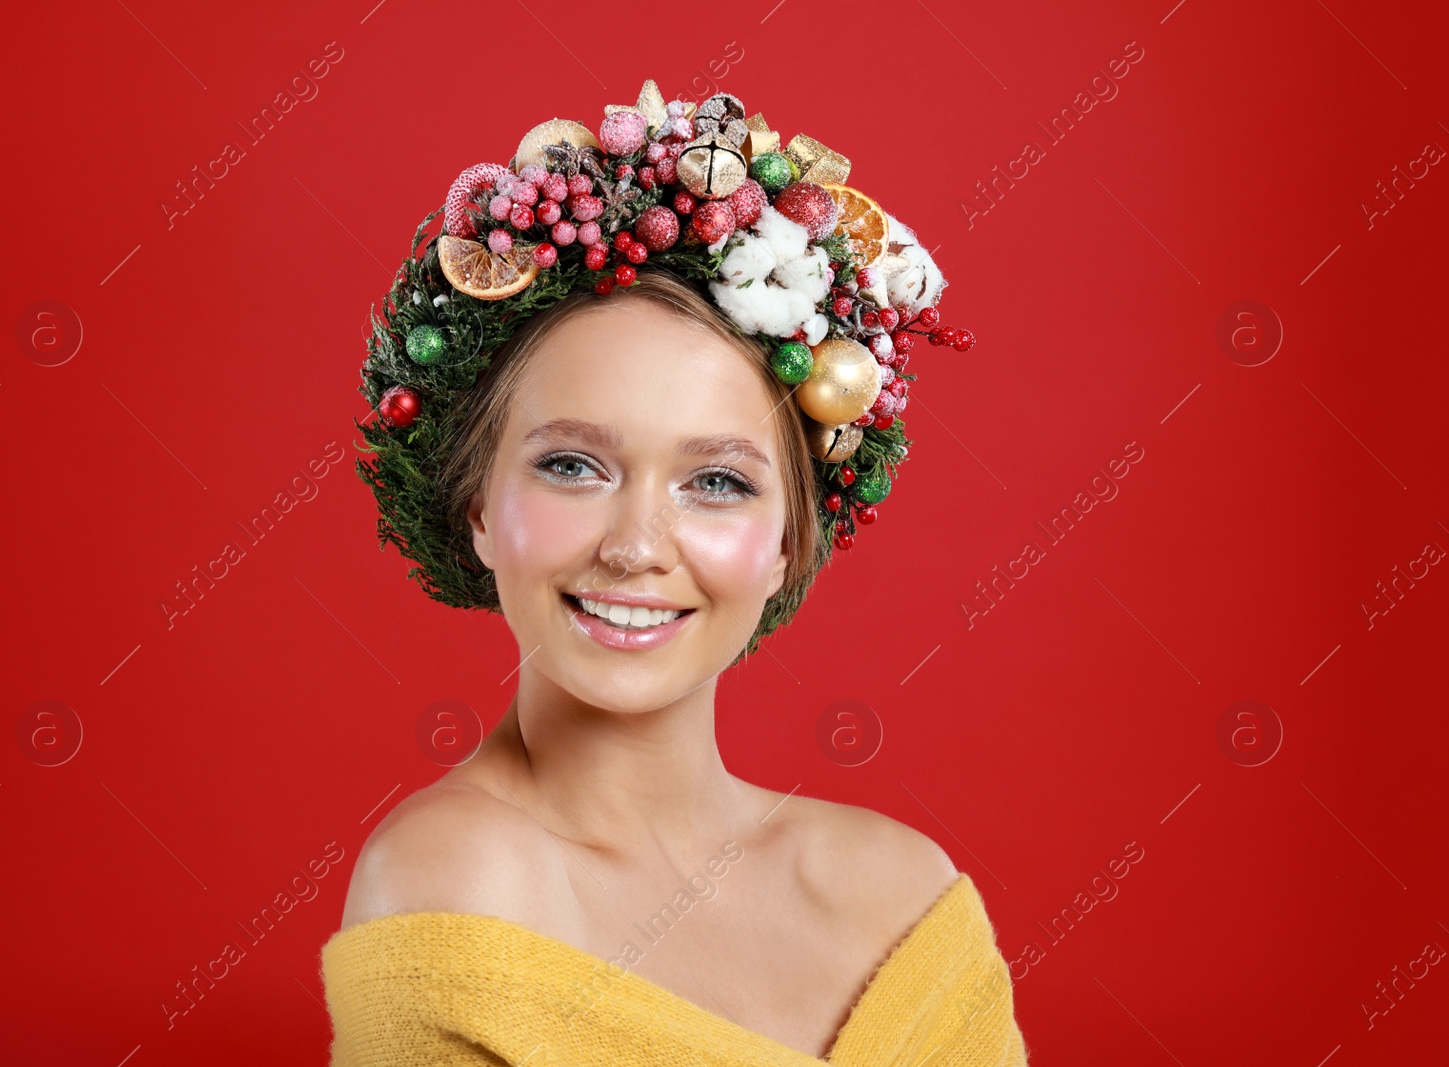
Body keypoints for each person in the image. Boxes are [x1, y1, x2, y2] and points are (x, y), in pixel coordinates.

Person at [321, 80, 1024, 1066]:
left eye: (717, 480)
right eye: (572, 465)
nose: (637, 543)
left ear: (789, 538)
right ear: (478, 506)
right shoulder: (454, 878)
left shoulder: (903, 893)